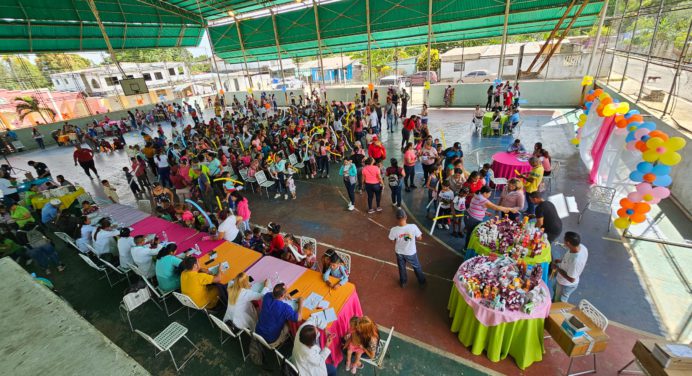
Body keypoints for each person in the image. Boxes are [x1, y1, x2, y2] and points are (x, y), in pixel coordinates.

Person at [255, 283, 302, 347]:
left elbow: (273, 293)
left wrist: (284, 294)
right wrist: (300, 302)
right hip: (270, 339)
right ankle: (288, 340)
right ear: (282, 296)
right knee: (288, 323)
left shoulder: (267, 296)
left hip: (257, 332)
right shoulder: (284, 308)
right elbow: (299, 318)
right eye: (285, 293)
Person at [388, 209, 426, 287]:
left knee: (401, 267)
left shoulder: (394, 230)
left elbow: (391, 241)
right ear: (406, 217)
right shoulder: (413, 227)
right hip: (411, 252)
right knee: (416, 266)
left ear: (396, 219)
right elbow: (419, 238)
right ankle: (422, 282)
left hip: (399, 252)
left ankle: (403, 282)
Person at [551, 232, 588, 303]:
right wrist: (561, 261)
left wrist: (557, 268)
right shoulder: (582, 247)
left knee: (559, 303)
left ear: (568, 243)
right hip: (561, 281)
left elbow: (571, 279)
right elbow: (569, 259)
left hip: (565, 285)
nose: (563, 242)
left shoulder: (576, 261)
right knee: (555, 296)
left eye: (564, 240)